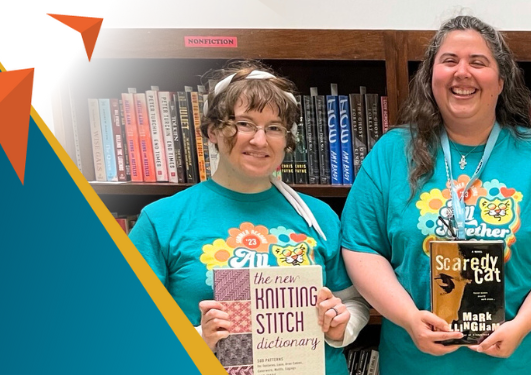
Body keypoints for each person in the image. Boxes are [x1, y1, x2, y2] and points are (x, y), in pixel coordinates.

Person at [338, 15, 531, 374]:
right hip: (418, 361)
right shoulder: (392, 152)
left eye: (478, 62)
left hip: (524, 360)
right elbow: (361, 247)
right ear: (431, 77)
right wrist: (409, 318)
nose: (462, 73)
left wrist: (521, 324)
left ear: (501, 80)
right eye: (450, 60)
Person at [130, 60, 368, 375]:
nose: (260, 140)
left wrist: (340, 328)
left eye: (274, 128)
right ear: (213, 131)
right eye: (244, 124)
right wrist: (199, 338)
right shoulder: (162, 220)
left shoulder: (318, 216)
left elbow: (355, 303)